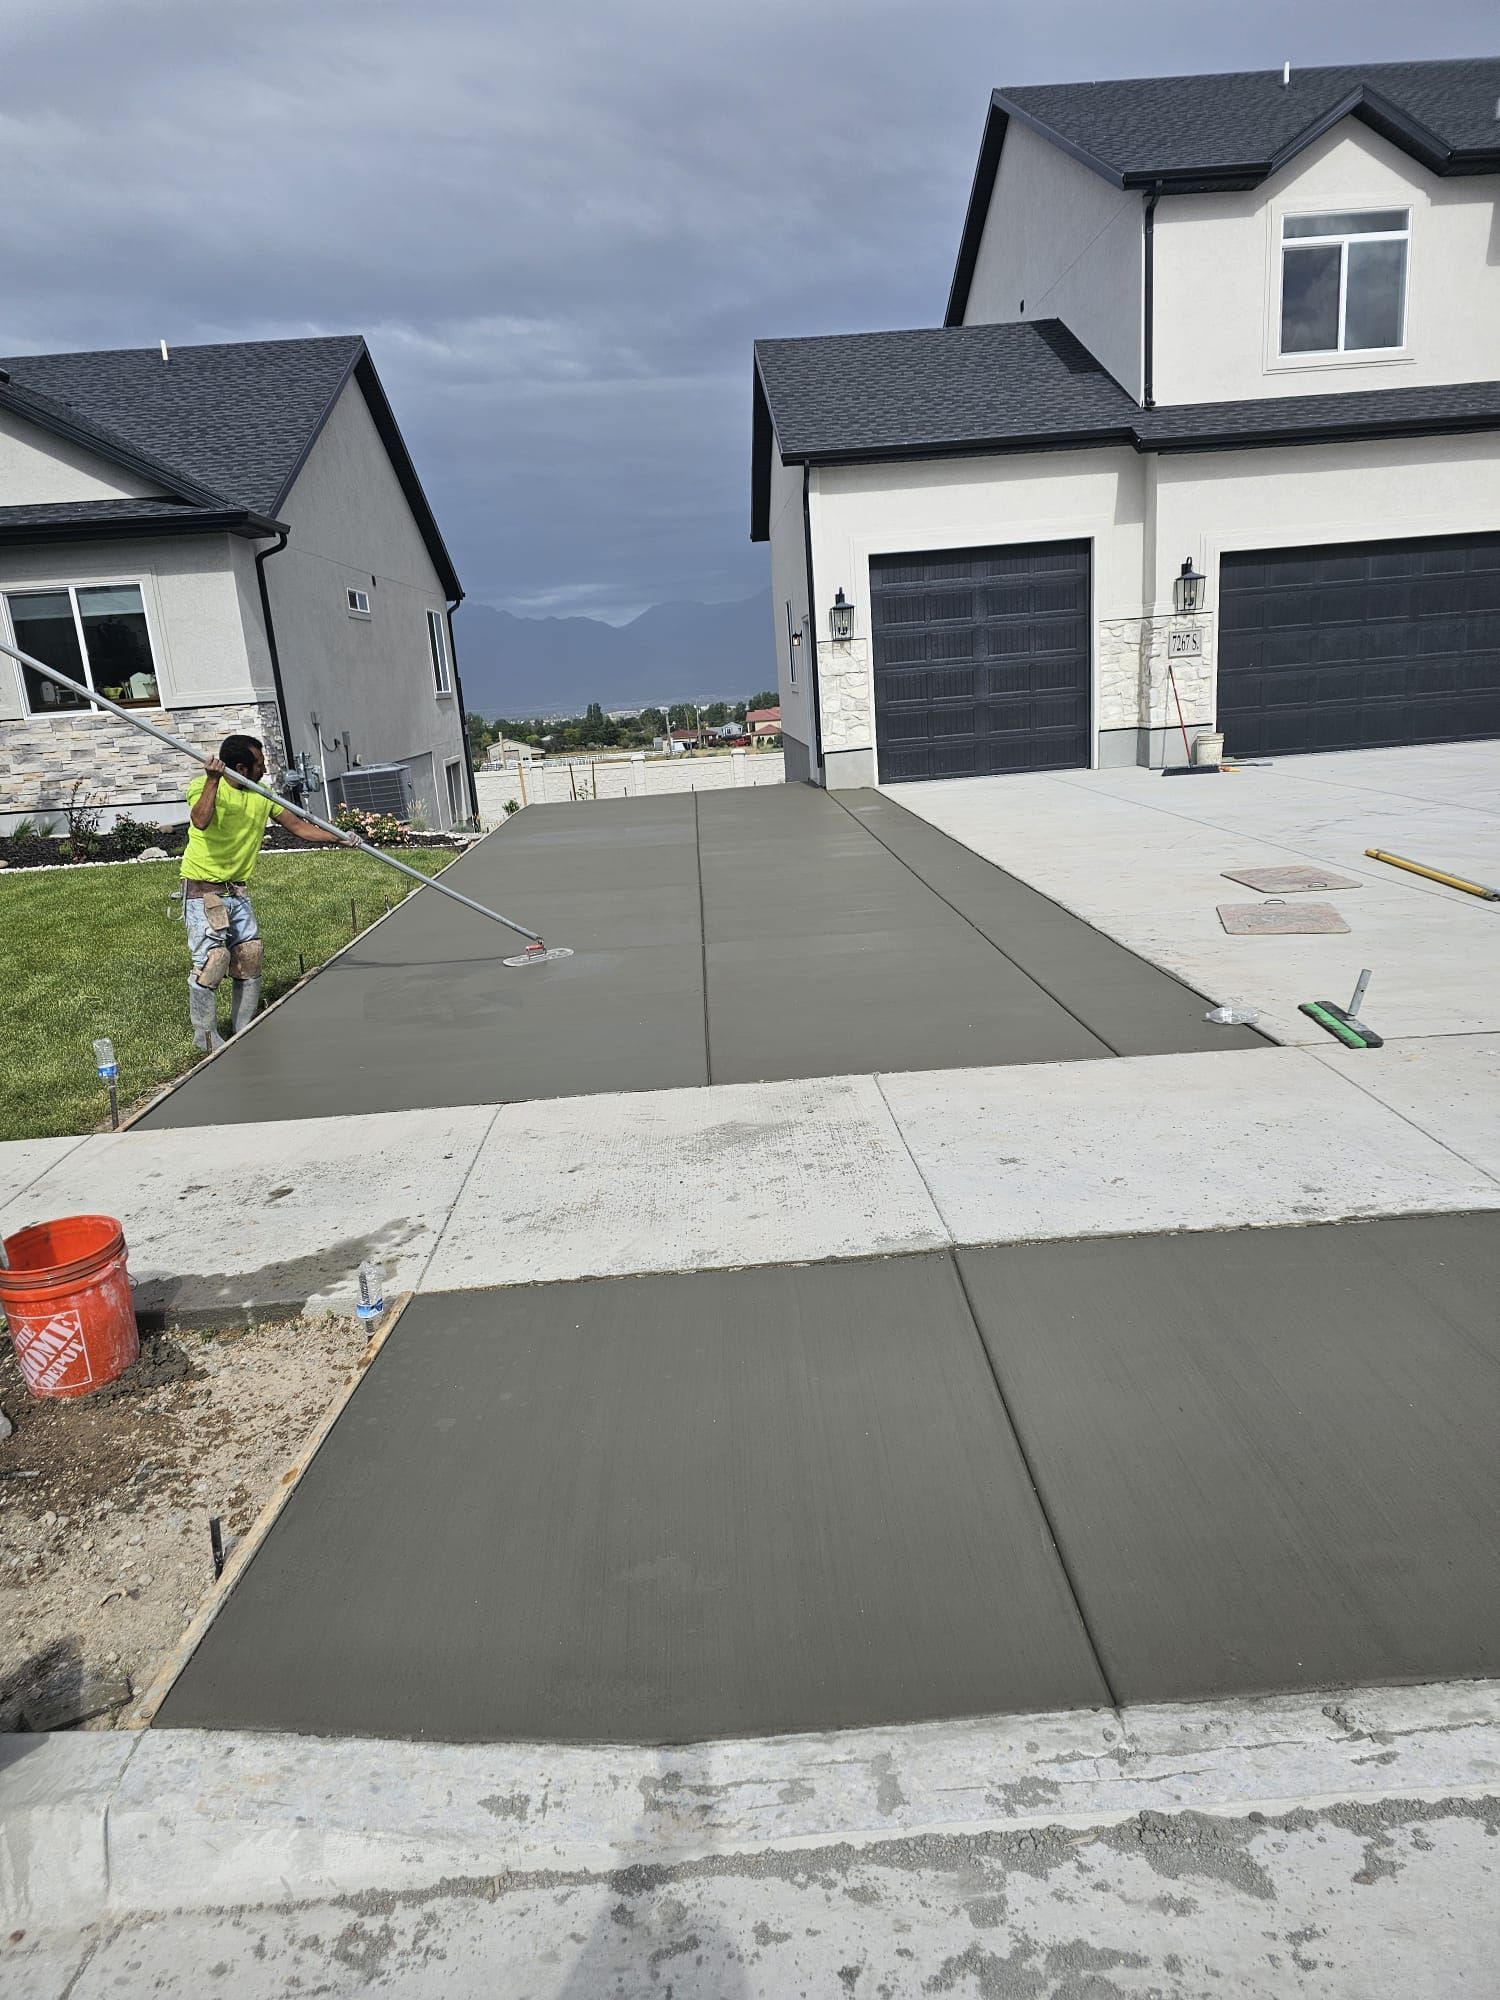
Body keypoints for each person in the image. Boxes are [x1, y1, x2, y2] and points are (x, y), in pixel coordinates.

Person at [180, 733, 353, 1051]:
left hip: (237, 892)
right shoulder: (203, 789)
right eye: (259, 764)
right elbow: (200, 821)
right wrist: (212, 781)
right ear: (241, 768)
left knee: (250, 956)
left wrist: (337, 837)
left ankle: (243, 1027)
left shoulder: (262, 793)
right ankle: (204, 1037)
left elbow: (298, 827)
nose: (265, 770)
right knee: (213, 961)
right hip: (204, 894)